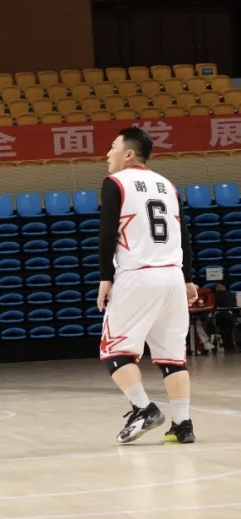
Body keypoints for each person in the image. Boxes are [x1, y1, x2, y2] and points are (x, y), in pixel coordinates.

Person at [97, 127, 198, 445]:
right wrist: (188, 278)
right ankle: (182, 424)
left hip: (138, 275)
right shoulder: (168, 185)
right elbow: (183, 235)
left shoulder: (115, 182)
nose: (107, 154)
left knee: (114, 350)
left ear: (129, 153)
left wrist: (105, 277)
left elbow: (107, 233)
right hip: (172, 277)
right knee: (173, 357)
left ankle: (143, 408)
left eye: (113, 147)